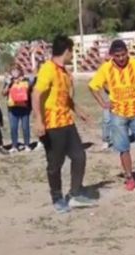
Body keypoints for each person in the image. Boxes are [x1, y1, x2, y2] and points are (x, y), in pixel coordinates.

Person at [32, 34, 98, 213]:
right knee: (55, 163)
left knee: (79, 157)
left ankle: (75, 193)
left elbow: (65, 98)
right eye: (72, 51)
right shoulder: (48, 69)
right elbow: (36, 94)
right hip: (52, 124)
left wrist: (80, 111)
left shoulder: (64, 72)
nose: (72, 55)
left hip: (67, 122)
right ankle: (57, 198)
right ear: (67, 51)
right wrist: (39, 120)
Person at [88, 39, 135, 192]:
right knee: (123, 148)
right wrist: (103, 103)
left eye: (123, 55)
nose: (121, 58)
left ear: (128, 53)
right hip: (118, 114)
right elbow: (93, 86)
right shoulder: (106, 69)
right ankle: (129, 177)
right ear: (112, 55)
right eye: (117, 55)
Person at [3, 64, 33, 152]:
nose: (15, 72)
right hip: (12, 108)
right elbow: (3, 93)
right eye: (13, 71)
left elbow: (32, 86)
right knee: (13, 127)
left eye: (16, 70)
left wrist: (24, 81)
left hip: (24, 107)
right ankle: (14, 146)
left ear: (20, 71)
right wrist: (8, 84)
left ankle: (27, 145)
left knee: (25, 127)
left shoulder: (26, 80)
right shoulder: (9, 81)